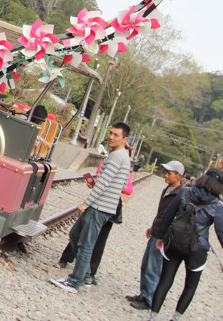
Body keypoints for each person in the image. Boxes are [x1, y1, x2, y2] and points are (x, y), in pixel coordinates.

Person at [49, 121, 131, 293]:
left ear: (125, 139)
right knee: (75, 235)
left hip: (99, 207)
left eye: (116, 135)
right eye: (110, 133)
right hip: (104, 206)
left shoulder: (116, 157)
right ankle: (86, 276)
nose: (111, 137)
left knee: (85, 244)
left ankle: (74, 282)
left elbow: (103, 185)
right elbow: (122, 183)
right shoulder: (123, 156)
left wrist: (86, 203)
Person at [148, 167, 223, 320]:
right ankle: (175, 319)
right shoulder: (217, 205)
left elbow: (168, 215)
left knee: (165, 280)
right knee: (190, 286)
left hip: (175, 243)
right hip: (198, 249)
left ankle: (153, 318)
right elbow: (222, 234)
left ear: (203, 178)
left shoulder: (185, 192)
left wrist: (161, 237)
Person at [57, 161, 134, 284]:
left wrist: (115, 185)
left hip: (109, 207)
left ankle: (87, 274)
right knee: (80, 235)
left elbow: (129, 189)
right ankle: (69, 261)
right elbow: (100, 181)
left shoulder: (122, 167)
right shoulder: (106, 163)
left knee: (97, 241)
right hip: (101, 202)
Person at [126, 160, 185, 310]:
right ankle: (144, 293)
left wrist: (164, 237)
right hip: (157, 231)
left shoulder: (181, 194)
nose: (166, 175)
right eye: (165, 172)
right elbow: (163, 214)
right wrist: (153, 227)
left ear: (179, 176)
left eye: (169, 173)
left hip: (163, 236)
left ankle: (149, 299)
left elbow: (174, 218)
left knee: (153, 267)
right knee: (146, 264)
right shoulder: (168, 190)